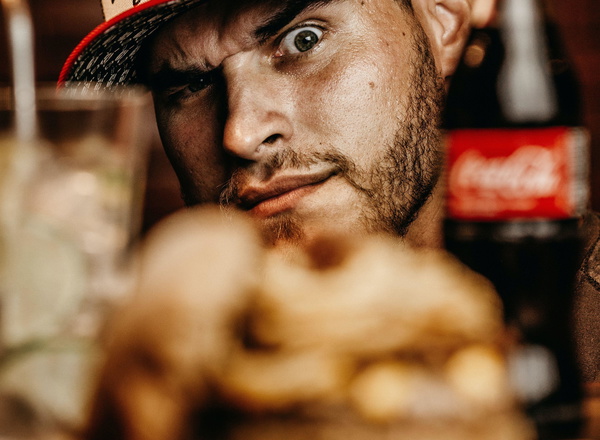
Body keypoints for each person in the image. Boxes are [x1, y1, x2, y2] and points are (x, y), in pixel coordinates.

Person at [60, 0, 600, 382]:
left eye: (304, 40)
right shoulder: (154, 391)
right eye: (188, 83)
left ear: (444, 21)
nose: (240, 133)